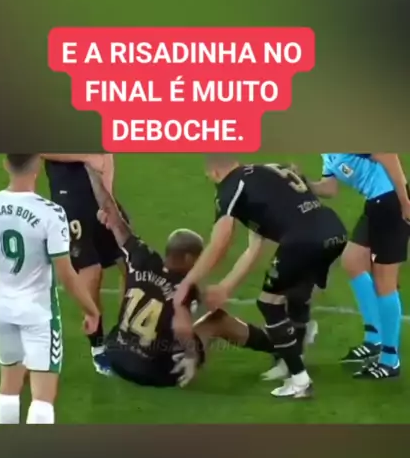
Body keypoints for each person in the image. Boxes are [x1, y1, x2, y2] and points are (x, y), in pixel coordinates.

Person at [87, 166, 313, 389]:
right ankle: (283, 347)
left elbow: (112, 213)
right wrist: (191, 355)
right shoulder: (185, 287)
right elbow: (183, 328)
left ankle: (282, 346)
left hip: (117, 357)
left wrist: (92, 172)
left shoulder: (139, 256)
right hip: (154, 372)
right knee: (217, 320)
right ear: (188, 258)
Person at [173, 156, 348, 399]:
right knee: (297, 293)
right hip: (334, 231)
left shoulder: (231, 187)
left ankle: (299, 380)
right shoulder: (263, 176)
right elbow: (254, 249)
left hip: (303, 240)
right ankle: (292, 357)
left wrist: (188, 282)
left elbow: (220, 242)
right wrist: (226, 286)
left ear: (213, 171)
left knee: (269, 304)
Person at [0, 154, 100, 424]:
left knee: (8, 386)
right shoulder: (51, 213)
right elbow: (67, 275)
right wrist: (91, 310)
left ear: (6, 164)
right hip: (39, 314)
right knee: (43, 396)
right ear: (37, 165)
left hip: (4, 311)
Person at [309, 153, 410, 379]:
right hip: (375, 203)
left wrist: (405, 202)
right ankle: (374, 338)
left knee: (385, 282)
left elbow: (388, 154)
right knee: (352, 260)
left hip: (391, 201)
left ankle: (390, 360)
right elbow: (330, 188)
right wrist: (304, 184)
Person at [42, 153, 126, 376]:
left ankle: (125, 333)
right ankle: (98, 347)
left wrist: (108, 198)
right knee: (91, 270)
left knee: (130, 262)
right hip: (70, 202)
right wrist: (85, 156)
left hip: (98, 195)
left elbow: (106, 154)